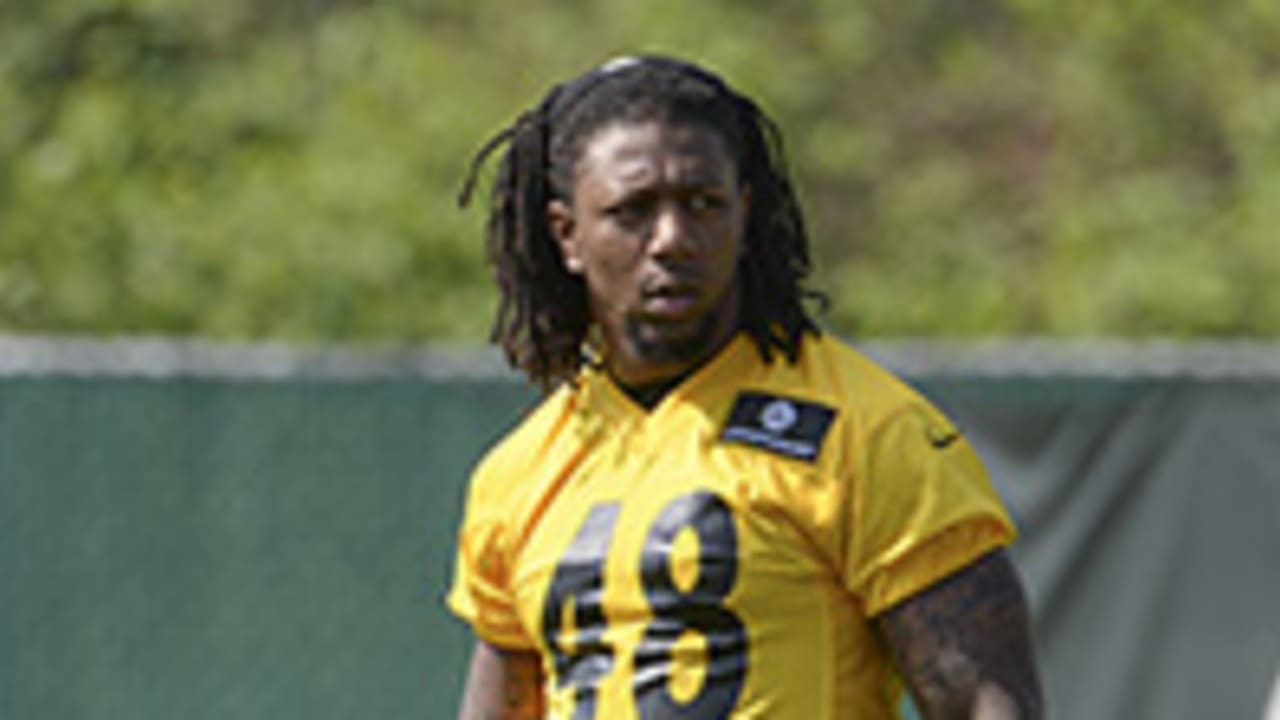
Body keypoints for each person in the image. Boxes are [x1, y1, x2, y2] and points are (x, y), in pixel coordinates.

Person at [447, 55, 1043, 719]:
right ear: (568, 235)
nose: (673, 239)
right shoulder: (518, 474)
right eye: (634, 210)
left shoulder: (868, 431)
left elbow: (986, 705)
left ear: (745, 212)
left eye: (703, 204)